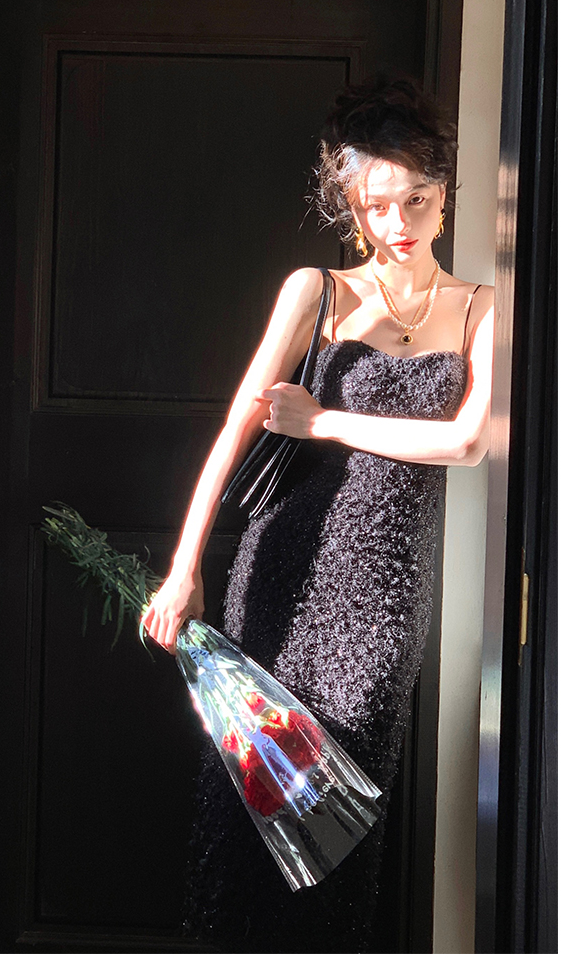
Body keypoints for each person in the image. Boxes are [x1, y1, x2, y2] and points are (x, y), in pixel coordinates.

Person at [141, 75, 494, 952]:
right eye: (375, 206)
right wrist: (184, 567)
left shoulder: (482, 307)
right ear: (350, 205)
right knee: (244, 807)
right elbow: (236, 428)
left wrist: (325, 421)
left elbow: (466, 443)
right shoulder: (318, 291)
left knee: (340, 821)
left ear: (444, 189)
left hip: (386, 595)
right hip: (286, 572)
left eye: (417, 199)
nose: (398, 222)